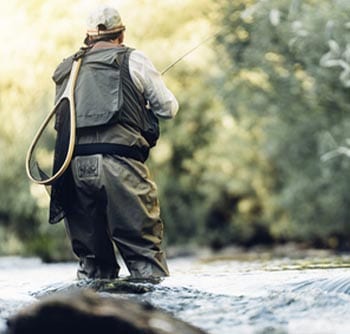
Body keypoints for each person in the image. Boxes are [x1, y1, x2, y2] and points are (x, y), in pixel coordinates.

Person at [49, 5, 178, 279]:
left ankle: (90, 317)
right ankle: (151, 318)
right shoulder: (134, 59)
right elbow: (168, 108)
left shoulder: (66, 68)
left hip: (71, 170)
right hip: (120, 165)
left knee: (93, 265)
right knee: (144, 256)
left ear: (88, 37)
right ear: (121, 35)